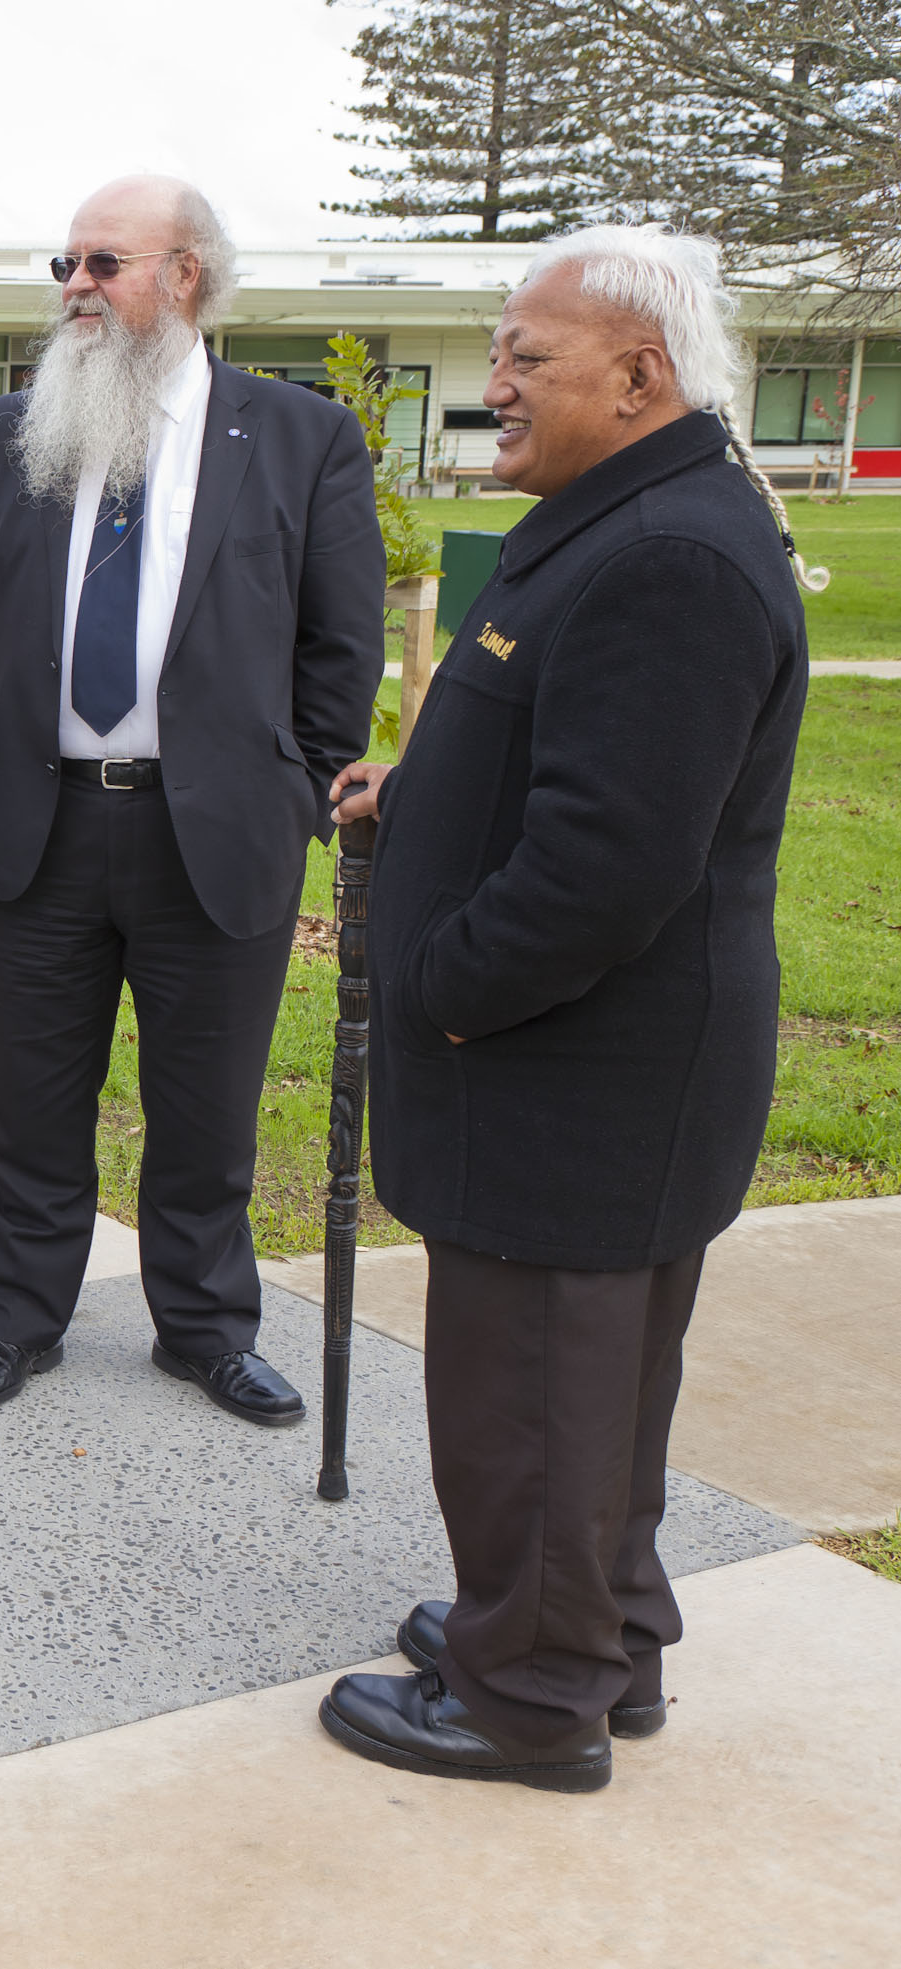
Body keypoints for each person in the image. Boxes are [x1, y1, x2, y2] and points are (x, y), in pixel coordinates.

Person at [315, 227, 811, 1793]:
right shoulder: (621, 519)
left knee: (531, 1393)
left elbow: (608, 863)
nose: (499, 384)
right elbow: (556, 746)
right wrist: (417, 789)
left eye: (528, 356)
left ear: (639, 375)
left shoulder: (668, 557)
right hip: (584, 1068)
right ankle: (599, 1632)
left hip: (571, 1069)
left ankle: (530, 1694)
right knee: (594, 1390)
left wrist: (447, 989)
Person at [0, 175, 383, 1421]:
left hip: (215, 833)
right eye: (65, 265)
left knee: (206, 1106)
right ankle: (13, 1320)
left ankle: (204, 1328)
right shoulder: (18, 428)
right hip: (45, 826)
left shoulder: (299, 436)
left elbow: (339, 650)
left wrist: (287, 789)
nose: (74, 286)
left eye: (102, 263)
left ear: (184, 276)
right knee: (27, 1100)